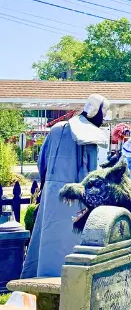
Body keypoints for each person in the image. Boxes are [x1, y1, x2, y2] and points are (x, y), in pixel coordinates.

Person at [21, 94, 110, 278]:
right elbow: (91, 174)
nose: (103, 119)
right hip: (74, 197)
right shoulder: (89, 135)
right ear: (97, 112)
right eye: (103, 114)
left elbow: (41, 163)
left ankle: (39, 279)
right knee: (69, 243)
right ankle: (68, 282)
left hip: (51, 195)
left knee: (46, 241)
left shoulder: (56, 129)